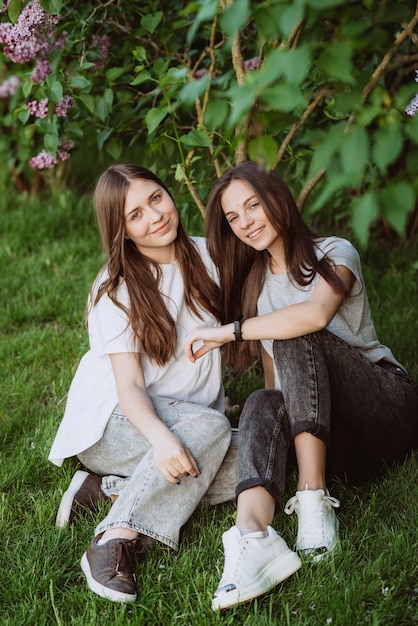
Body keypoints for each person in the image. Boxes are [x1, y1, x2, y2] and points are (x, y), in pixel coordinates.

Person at [184, 161, 418, 611]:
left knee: (299, 333)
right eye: (234, 218)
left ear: (277, 199)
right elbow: (281, 389)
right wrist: (263, 434)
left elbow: (314, 317)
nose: (246, 222)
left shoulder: (334, 252)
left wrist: (226, 332)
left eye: (253, 206)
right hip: (340, 446)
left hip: (388, 410)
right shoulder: (254, 287)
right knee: (262, 398)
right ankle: (253, 535)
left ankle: (312, 500)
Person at [48, 163, 236, 604]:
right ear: (123, 231)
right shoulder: (116, 289)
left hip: (191, 419)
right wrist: (163, 439)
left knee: (258, 458)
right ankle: (115, 537)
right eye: (136, 215)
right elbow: (129, 387)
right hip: (114, 423)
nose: (155, 216)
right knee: (213, 432)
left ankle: (106, 490)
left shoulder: (210, 256)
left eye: (156, 198)